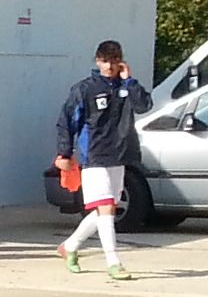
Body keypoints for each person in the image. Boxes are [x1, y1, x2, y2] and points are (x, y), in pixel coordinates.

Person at [57, 40, 152, 280]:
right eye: (106, 61)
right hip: (95, 155)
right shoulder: (85, 89)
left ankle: (69, 246)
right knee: (107, 207)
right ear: (98, 61)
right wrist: (64, 153)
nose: (110, 66)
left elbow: (144, 106)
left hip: (120, 154)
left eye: (114, 61)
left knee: (105, 209)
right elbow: (66, 122)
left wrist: (130, 81)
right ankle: (113, 261)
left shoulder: (127, 86)